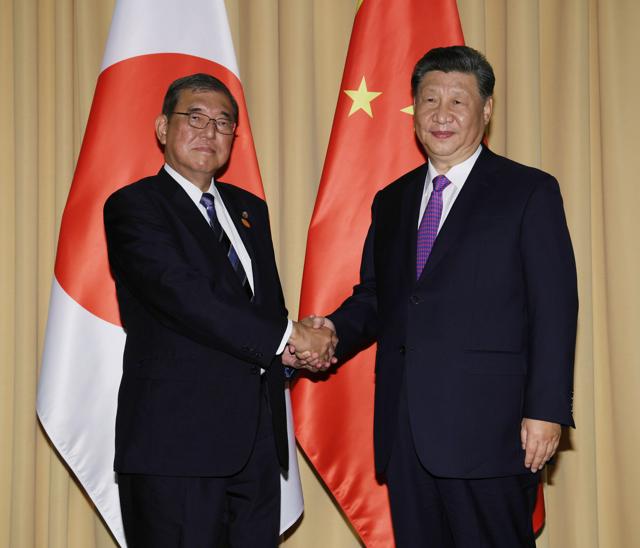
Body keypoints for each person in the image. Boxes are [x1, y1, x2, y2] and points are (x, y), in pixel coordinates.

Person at [303, 46, 578, 547]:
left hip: (492, 432)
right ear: (415, 109)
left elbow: (554, 309)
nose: (441, 114)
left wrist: (546, 410)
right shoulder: (392, 200)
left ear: (486, 109)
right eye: (430, 100)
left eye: (457, 101)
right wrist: (333, 330)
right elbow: (378, 297)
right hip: (406, 432)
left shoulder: (528, 191)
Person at [103, 73, 334, 547]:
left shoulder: (250, 210)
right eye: (195, 117)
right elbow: (185, 296)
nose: (209, 131)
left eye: (223, 122)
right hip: (175, 449)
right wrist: (289, 335)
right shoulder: (134, 206)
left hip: (256, 449)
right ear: (163, 128)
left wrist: (292, 351)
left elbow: (263, 310)